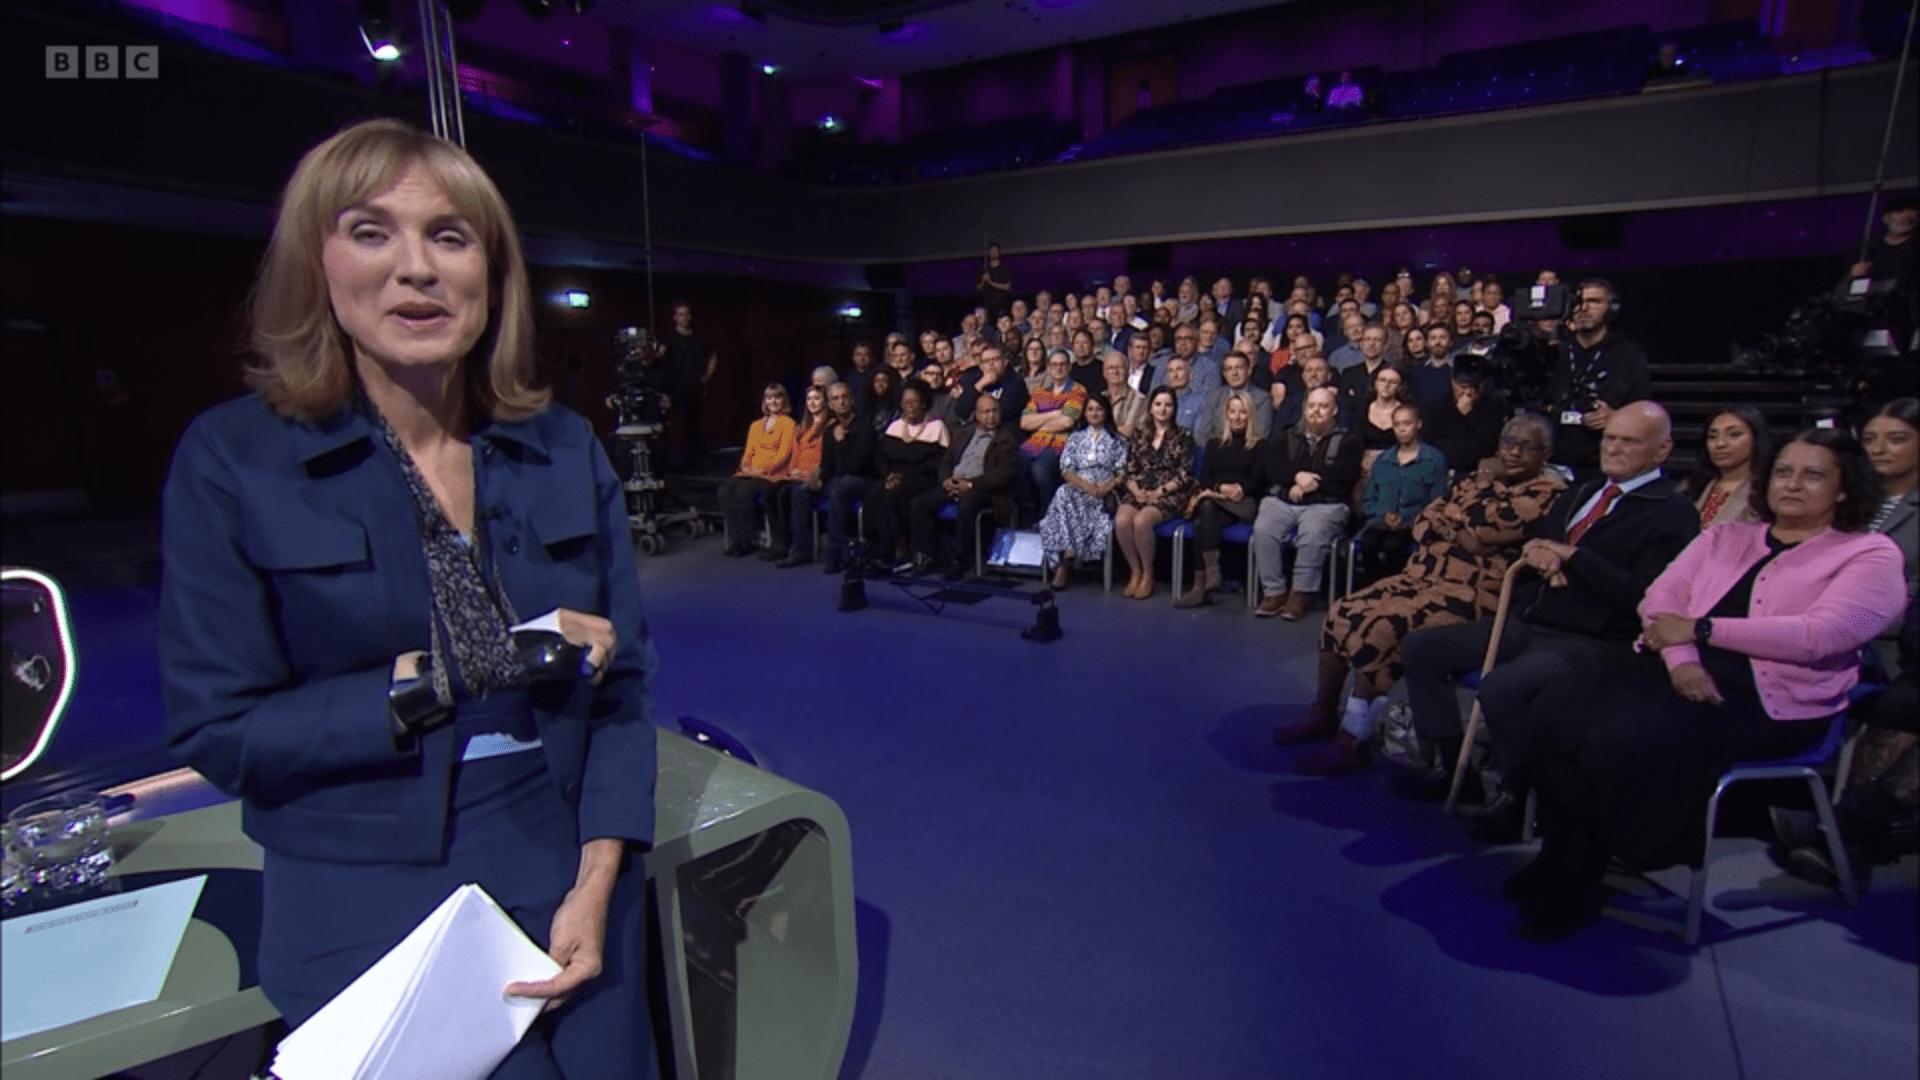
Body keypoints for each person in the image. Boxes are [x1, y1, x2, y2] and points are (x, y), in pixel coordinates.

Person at [157, 119, 656, 1077]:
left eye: (450, 237)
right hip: (356, 866)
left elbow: (623, 688)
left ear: (492, 275)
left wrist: (597, 877)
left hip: (561, 845)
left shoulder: (562, 445)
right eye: (372, 231)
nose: (415, 269)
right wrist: (457, 673)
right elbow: (223, 732)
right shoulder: (233, 460)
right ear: (318, 264)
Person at [1506, 429, 1904, 941]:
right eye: (1784, 471)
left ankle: (1581, 874)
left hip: (1772, 697)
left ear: (1845, 488)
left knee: (1618, 738)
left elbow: (1820, 636)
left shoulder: (1869, 555)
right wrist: (1682, 659)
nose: (1793, 484)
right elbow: (1659, 599)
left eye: (1813, 475)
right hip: (1677, 666)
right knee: (1551, 709)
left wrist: (1702, 630)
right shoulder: (1727, 536)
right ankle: (1559, 851)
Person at [1394, 403, 1699, 832]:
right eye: (1609, 438)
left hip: (1594, 640)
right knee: (1422, 648)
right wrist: (1541, 552)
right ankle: (1453, 769)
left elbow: (1645, 596)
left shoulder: (1673, 513)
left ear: (1662, 449)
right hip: (1530, 619)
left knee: (1501, 688)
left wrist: (1573, 558)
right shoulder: (1581, 492)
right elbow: (1540, 540)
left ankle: (1518, 793)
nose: (1612, 448)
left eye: (1627, 441)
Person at [1282, 417, 1565, 768]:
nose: (1514, 452)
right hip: (1421, 577)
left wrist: (1455, 523)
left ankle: (1354, 738)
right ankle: (1323, 713)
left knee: (1381, 626)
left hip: (1473, 592)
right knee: (1342, 610)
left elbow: (1489, 530)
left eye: (1527, 446)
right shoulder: (1476, 481)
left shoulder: (1549, 494)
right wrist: (1461, 530)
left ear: (1546, 454)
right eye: (1508, 442)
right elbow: (1426, 519)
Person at [1251, 386, 1362, 622]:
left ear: (1334, 411)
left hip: (1326, 503)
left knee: (1313, 531)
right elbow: (1271, 468)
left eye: (1323, 407)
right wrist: (1296, 478)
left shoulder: (1349, 440)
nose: (1316, 412)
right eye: (1311, 406)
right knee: (1264, 527)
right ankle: (1274, 591)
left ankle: (1300, 593)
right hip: (1286, 499)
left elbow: (1343, 476)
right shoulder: (1287, 435)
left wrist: (1308, 483)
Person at [1546, 280, 1651, 480]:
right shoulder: (1555, 354)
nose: (1584, 308)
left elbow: (1643, 409)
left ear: (1611, 309)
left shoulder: (1628, 355)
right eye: (1578, 302)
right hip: (1553, 462)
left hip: (1601, 465)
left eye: (1594, 301)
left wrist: (1616, 418)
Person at [910, 393, 1018, 579]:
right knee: (919, 503)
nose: (990, 416)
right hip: (955, 483)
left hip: (985, 491)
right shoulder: (963, 433)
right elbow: (946, 462)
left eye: (994, 411)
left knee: (968, 503)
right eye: (985, 412)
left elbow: (1002, 476)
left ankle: (960, 559)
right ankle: (928, 556)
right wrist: (946, 480)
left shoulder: (1006, 439)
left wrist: (970, 484)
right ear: (976, 415)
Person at [1176, 391, 1265, 608]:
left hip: (1243, 503)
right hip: (1215, 500)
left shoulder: (1259, 446)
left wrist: (1240, 489)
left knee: (1204, 516)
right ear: (1226, 414)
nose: (1237, 417)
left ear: (1250, 414)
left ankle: (1200, 586)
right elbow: (1205, 479)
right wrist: (1220, 488)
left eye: (1242, 412)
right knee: (1204, 513)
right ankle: (1210, 574)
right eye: (1233, 411)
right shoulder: (1214, 445)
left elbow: (1258, 481)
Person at [1113, 386, 1197, 600]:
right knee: (1122, 520)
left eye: (1168, 405)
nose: (1163, 409)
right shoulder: (1139, 435)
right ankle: (1135, 570)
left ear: (1174, 409)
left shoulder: (1184, 436)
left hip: (1169, 493)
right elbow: (1128, 469)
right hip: (1139, 490)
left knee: (1141, 521)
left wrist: (1158, 492)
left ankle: (1149, 573)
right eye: (1158, 404)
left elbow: (1184, 475)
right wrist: (1136, 491)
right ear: (1150, 408)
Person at [1353, 403, 1449, 586]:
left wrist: (1406, 517)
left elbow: (1438, 500)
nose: (1402, 429)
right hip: (1380, 522)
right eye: (1397, 424)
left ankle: (1395, 592)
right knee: (1368, 543)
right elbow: (1368, 500)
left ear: (1418, 424)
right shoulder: (1383, 461)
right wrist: (1383, 515)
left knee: (1394, 547)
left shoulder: (1434, 459)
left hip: (1414, 524)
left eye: (1407, 423)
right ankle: (1374, 592)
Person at [1039, 395, 1129, 589]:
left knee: (1063, 500)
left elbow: (1122, 473)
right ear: (1085, 413)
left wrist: (1107, 485)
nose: (1094, 413)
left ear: (1106, 413)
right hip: (1079, 488)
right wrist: (1085, 485)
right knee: (1064, 492)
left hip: (1104, 492)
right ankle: (1068, 554)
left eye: (1099, 409)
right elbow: (1067, 471)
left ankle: (1065, 563)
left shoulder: (1118, 440)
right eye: (1090, 409)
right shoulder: (1075, 438)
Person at [862, 382, 949, 563]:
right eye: (905, 402)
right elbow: (881, 457)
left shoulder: (937, 426)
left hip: (923, 478)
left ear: (923, 403)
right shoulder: (895, 427)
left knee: (894, 497)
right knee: (873, 495)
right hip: (894, 476)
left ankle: (899, 547)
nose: (909, 407)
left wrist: (902, 477)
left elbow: (939, 462)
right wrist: (888, 475)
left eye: (914, 402)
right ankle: (874, 545)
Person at [718, 384, 796, 556]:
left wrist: (759, 471)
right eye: (769, 398)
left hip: (773, 475)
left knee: (744, 491)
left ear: (784, 400)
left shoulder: (789, 424)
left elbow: (783, 456)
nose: (773, 401)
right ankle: (736, 538)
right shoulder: (755, 426)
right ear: (765, 401)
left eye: (778, 397)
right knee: (725, 490)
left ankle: (748, 539)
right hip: (750, 472)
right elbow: (748, 453)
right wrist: (746, 468)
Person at [1019, 348, 1088, 523]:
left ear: (1069, 367)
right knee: (1017, 464)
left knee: (1040, 470)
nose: (1058, 368)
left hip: (1062, 442)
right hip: (1035, 443)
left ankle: (1049, 516)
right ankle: (1027, 515)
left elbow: (1067, 422)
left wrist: (1039, 423)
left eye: (1063, 364)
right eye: (1054, 365)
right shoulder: (1040, 392)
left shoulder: (1078, 390)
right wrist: (1055, 413)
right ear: (1048, 368)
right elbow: (1024, 422)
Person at [764, 384, 829, 567]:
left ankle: (802, 549)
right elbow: (794, 455)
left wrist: (809, 474)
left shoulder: (829, 426)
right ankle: (781, 543)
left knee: (796, 494)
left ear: (825, 401)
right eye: (809, 399)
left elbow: (826, 459)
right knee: (773, 491)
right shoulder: (803, 427)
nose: (813, 403)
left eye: (817, 398)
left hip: (816, 477)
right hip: (798, 475)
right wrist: (793, 470)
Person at [817, 381, 873, 574]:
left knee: (839, 488)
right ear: (830, 405)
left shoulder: (864, 426)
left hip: (864, 479)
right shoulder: (829, 431)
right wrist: (817, 480)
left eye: (844, 397)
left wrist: (841, 442)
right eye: (835, 399)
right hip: (838, 480)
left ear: (851, 400)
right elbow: (827, 466)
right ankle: (801, 548)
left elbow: (856, 465)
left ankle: (835, 552)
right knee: (800, 491)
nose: (841, 402)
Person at [1690, 406, 1771, 528]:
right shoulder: (1694, 486)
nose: (1720, 444)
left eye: (1734, 434)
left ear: (1756, 438)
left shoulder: (1767, 491)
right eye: (1712, 436)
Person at [662, 301, 717, 466]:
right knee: (669, 424)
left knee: (693, 424)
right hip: (674, 388)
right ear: (674, 317)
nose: (684, 318)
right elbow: (659, 357)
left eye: (686, 314)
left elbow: (712, 355)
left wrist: (707, 375)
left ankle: (694, 460)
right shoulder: (669, 338)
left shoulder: (697, 339)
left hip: (694, 387)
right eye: (680, 314)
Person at [1422, 368, 1504, 476]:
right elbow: (1430, 441)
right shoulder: (1434, 408)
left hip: (1480, 470)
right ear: (1453, 384)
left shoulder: (1494, 408)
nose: (1468, 392)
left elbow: (1490, 442)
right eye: (1463, 387)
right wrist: (1457, 414)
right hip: (1444, 470)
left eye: (1473, 387)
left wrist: (1470, 416)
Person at [1104, 349, 1149, 439]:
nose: (1115, 372)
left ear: (1128, 371)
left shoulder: (1140, 399)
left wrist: (1100, 430)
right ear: (1104, 373)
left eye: (1119, 368)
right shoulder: (1099, 398)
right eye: (1111, 368)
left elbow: (1128, 431)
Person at [977, 241, 1011, 318]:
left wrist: (990, 282)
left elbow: (1007, 287)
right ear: (988, 253)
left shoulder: (1004, 269)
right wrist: (983, 280)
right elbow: (978, 287)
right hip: (985, 306)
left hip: (1001, 307)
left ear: (999, 252)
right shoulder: (984, 270)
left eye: (996, 250)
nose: (994, 252)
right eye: (992, 250)